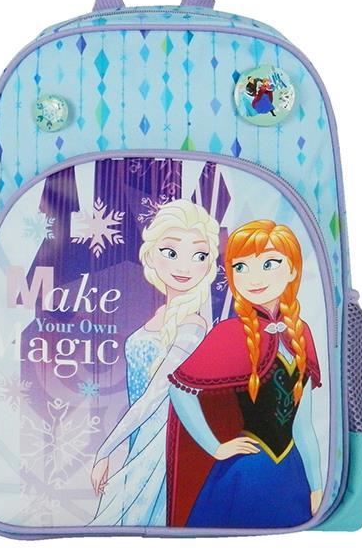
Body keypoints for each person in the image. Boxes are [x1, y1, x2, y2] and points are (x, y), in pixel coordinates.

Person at [166, 220, 323, 528]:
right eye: (241, 267)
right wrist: (215, 446)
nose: (254, 277)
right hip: (246, 468)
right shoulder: (230, 332)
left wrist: (317, 486)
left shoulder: (300, 332)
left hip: (291, 472)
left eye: (269, 263)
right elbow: (179, 389)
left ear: (293, 269)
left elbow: (303, 424)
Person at [88, 199, 219, 526]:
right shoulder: (163, 315)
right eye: (171, 252)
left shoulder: (193, 326)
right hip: (141, 435)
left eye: (199, 256)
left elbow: (155, 394)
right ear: (150, 255)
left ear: (209, 264)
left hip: (166, 442)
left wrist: (106, 448)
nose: (184, 267)